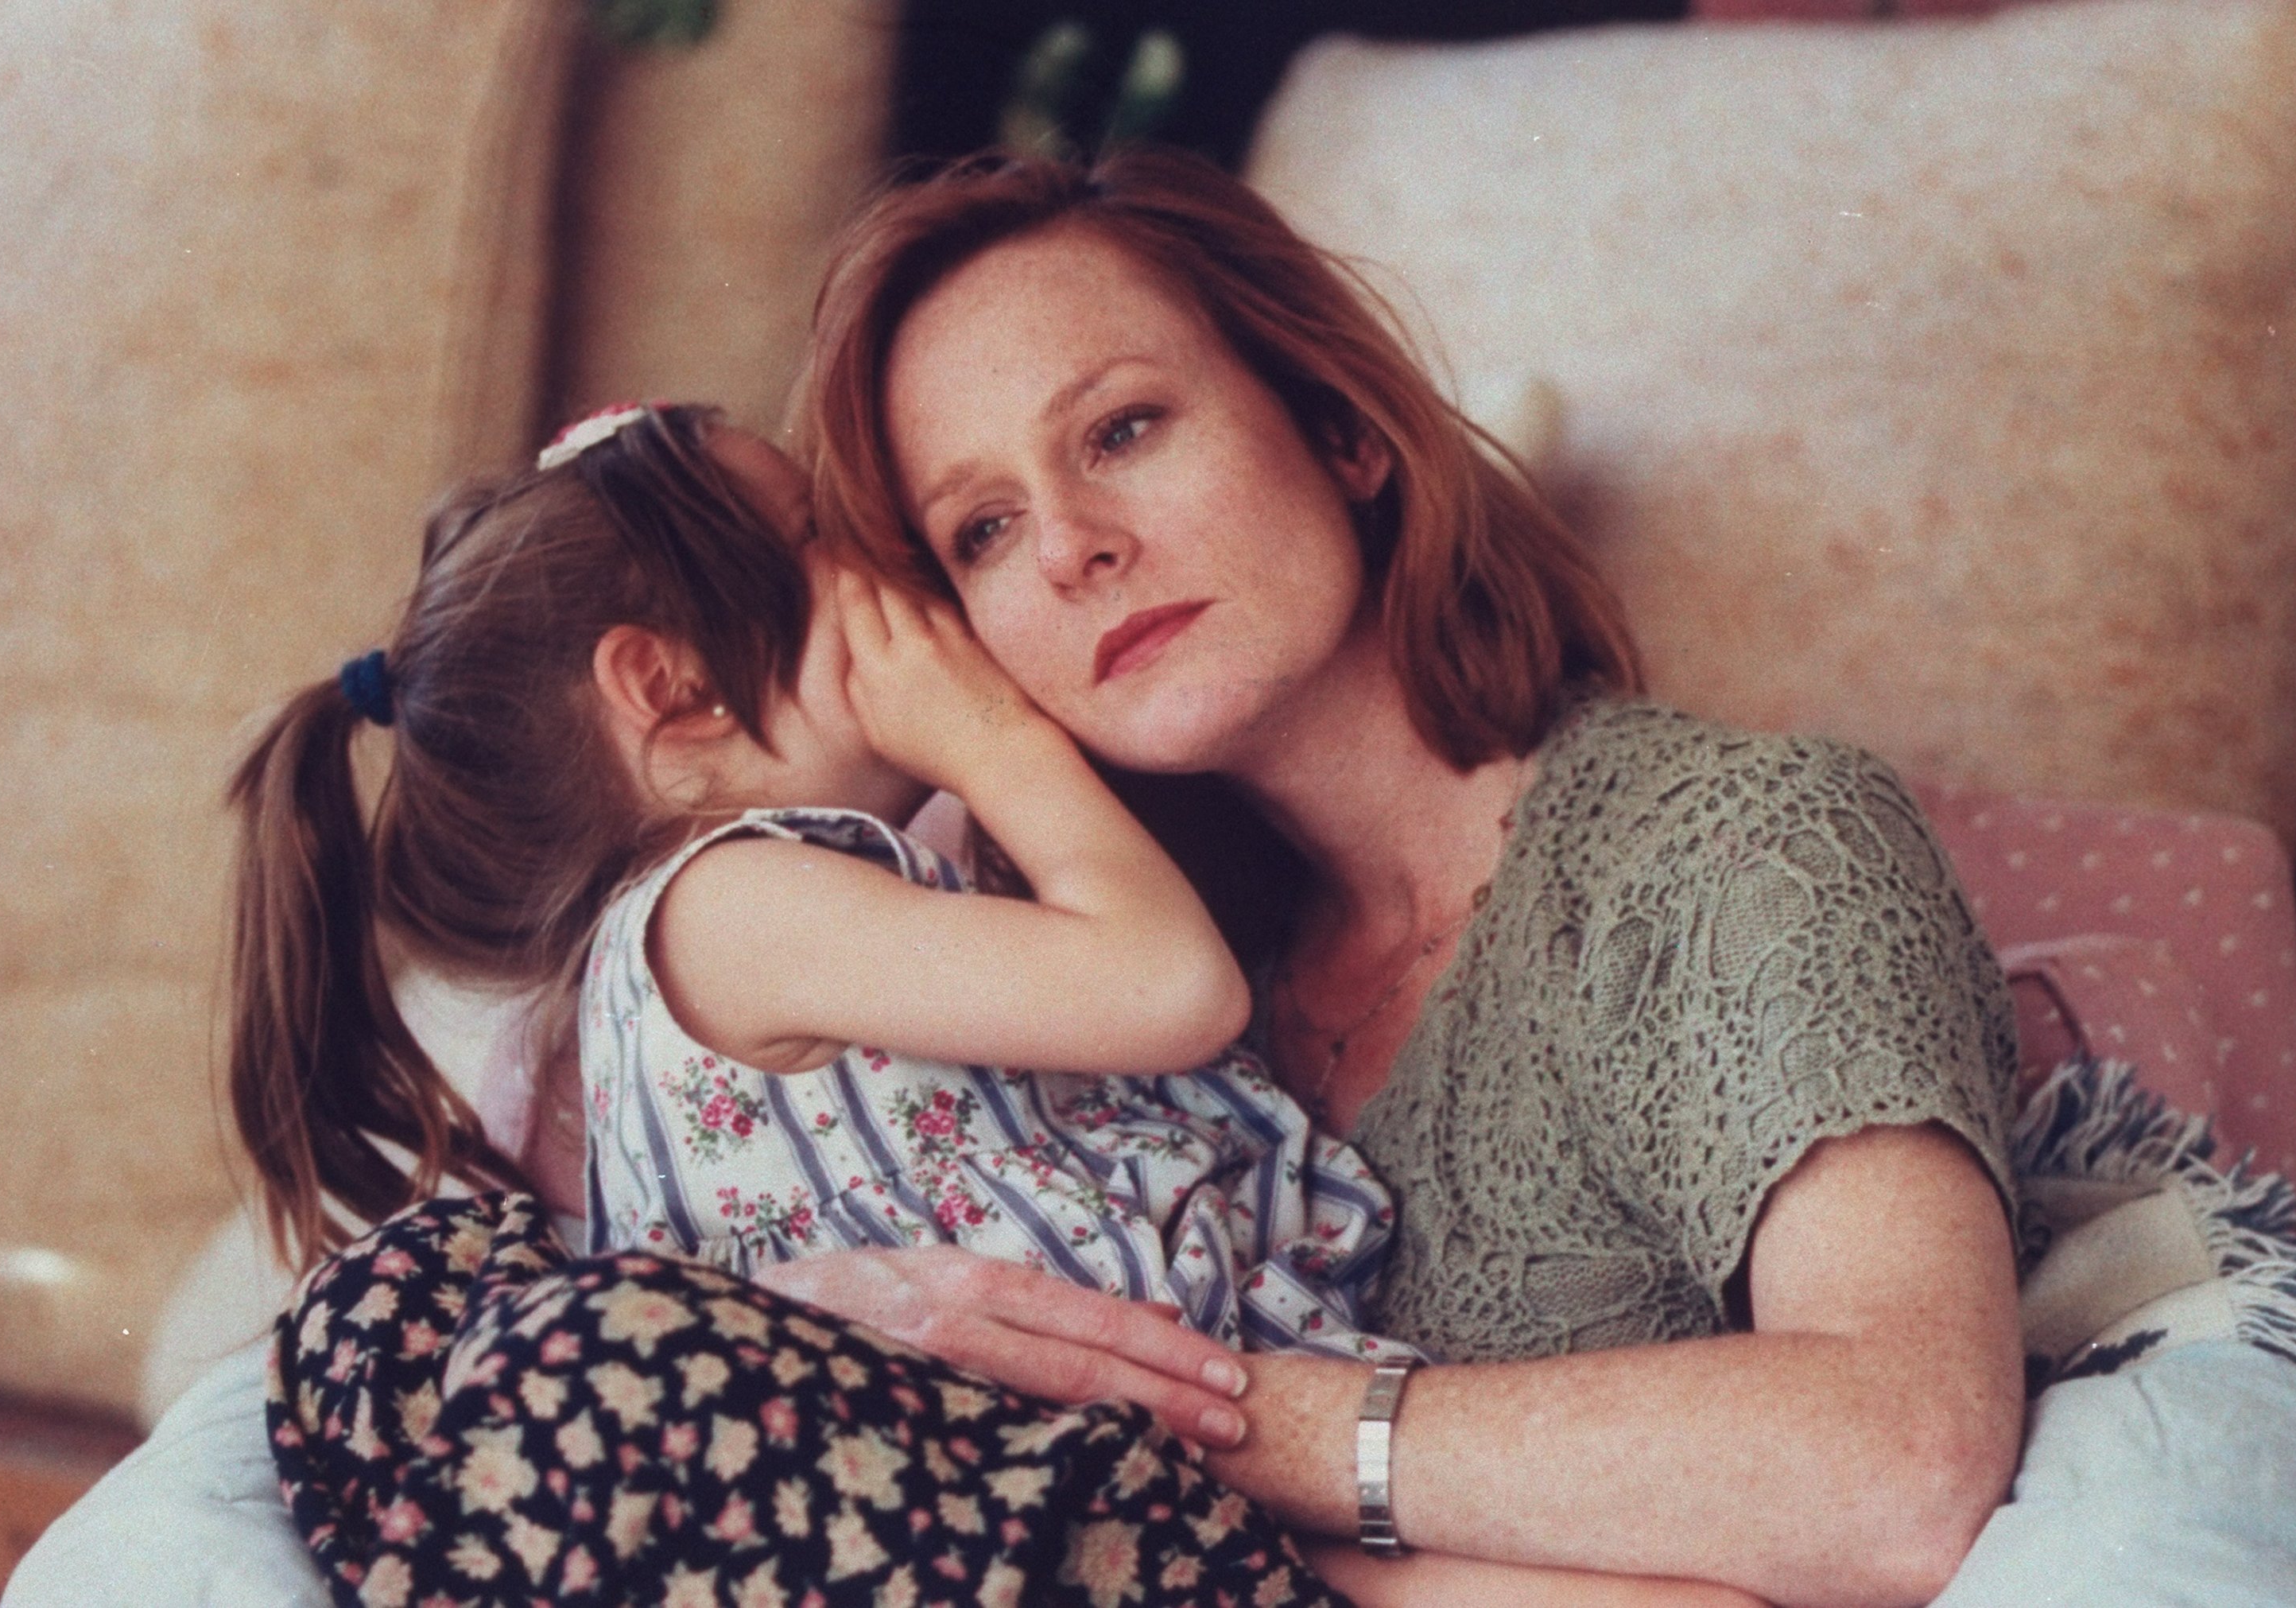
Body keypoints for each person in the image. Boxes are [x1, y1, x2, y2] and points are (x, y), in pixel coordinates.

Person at [781, 144, 2029, 1608]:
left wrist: (1215, 1414)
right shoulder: (1126, 1004)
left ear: (1340, 431)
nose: (1068, 547)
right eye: (981, 529)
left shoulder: (1743, 847)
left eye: (1121, 429)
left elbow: (1905, 1467)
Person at [223, 402, 1417, 1602]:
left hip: (1150, 1473)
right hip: (1107, 1511)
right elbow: (1176, 987)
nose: (883, 555)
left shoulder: (746, 911)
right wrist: (988, 736)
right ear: (670, 683)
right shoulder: (726, 906)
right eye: (814, 530)